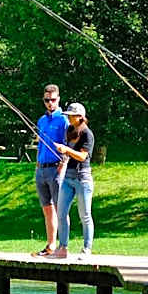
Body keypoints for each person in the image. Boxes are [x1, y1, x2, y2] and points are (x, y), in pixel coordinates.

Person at [49, 103, 94, 260]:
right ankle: (63, 248)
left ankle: (87, 249)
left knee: (85, 215)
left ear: (80, 117)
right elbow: (68, 153)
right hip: (68, 177)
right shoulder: (70, 130)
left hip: (83, 178)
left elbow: (82, 156)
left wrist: (66, 149)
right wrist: (63, 161)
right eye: (68, 115)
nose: (69, 117)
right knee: (61, 213)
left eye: (72, 115)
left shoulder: (88, 134)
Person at [31, 84, 69, 257]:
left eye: (53, 100)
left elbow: (68, 144)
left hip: (56, 168)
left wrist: (64, 164)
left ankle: (63, 245)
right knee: (47, 208)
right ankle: (50, 245)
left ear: (58, 99)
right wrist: (37, 164)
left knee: (60, 209)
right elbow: (40, 143)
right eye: (47, 100)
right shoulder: (42, 120)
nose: (50, 103)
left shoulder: (63, 120)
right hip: (42, 169)